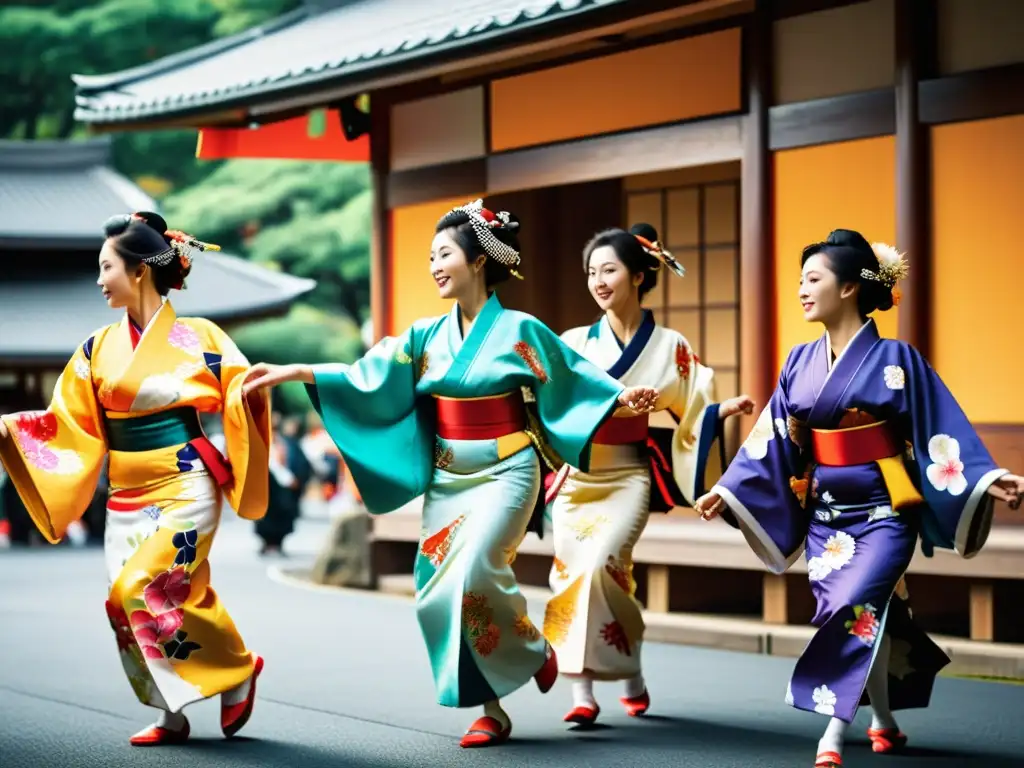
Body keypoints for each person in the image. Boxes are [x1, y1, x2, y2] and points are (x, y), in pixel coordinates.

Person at [241, 199, 659, 748]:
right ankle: (496, 703)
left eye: (445, 254)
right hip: (449, 479)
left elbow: (571, 376)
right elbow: (369, 375)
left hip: (508, 470)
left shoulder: (519, 330)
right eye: (431, 256)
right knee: (437, 591)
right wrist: (299, 370)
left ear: (479, 260)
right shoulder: (424, 337)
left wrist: (621, 398)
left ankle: (522, 661)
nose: (435, 265)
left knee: (475, 572)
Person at [694, 229, 1024, 768]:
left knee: (854, 607)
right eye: (799, 280)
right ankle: (885, 720)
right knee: (867, 614)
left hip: (885, 513)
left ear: (849, 287)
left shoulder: (898, 359)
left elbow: (943, 427)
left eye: (813, 279)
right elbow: (771, 438)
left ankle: (832, 729)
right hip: (827, 516)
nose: (801, 289)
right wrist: (727, 491)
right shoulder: (799, 361)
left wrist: (987, 479)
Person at [0, 212, 272, 747]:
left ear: (140, 271)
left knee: (142, 588)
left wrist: (252, 390)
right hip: (125, 492)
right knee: (124, 601)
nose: (100, 280)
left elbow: (241, 391)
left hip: (185, 480)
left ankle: (235, 668)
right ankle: (171, 712)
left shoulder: (203, 338)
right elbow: (67, 421)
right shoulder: (96, 348)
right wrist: (11, 428)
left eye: (107, 267)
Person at [544, 223, 755, 725]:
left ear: (639, 275)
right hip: (579, 476)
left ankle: (624, 665)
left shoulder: (669, 344)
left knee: (606, 566)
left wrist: (720, 412)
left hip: (627, 475)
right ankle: (585, 690)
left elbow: (693, 405)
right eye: (591, 272)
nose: (598, 280)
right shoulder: (573, 342)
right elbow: (549, 404)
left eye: (609, 269)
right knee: (573, 572)